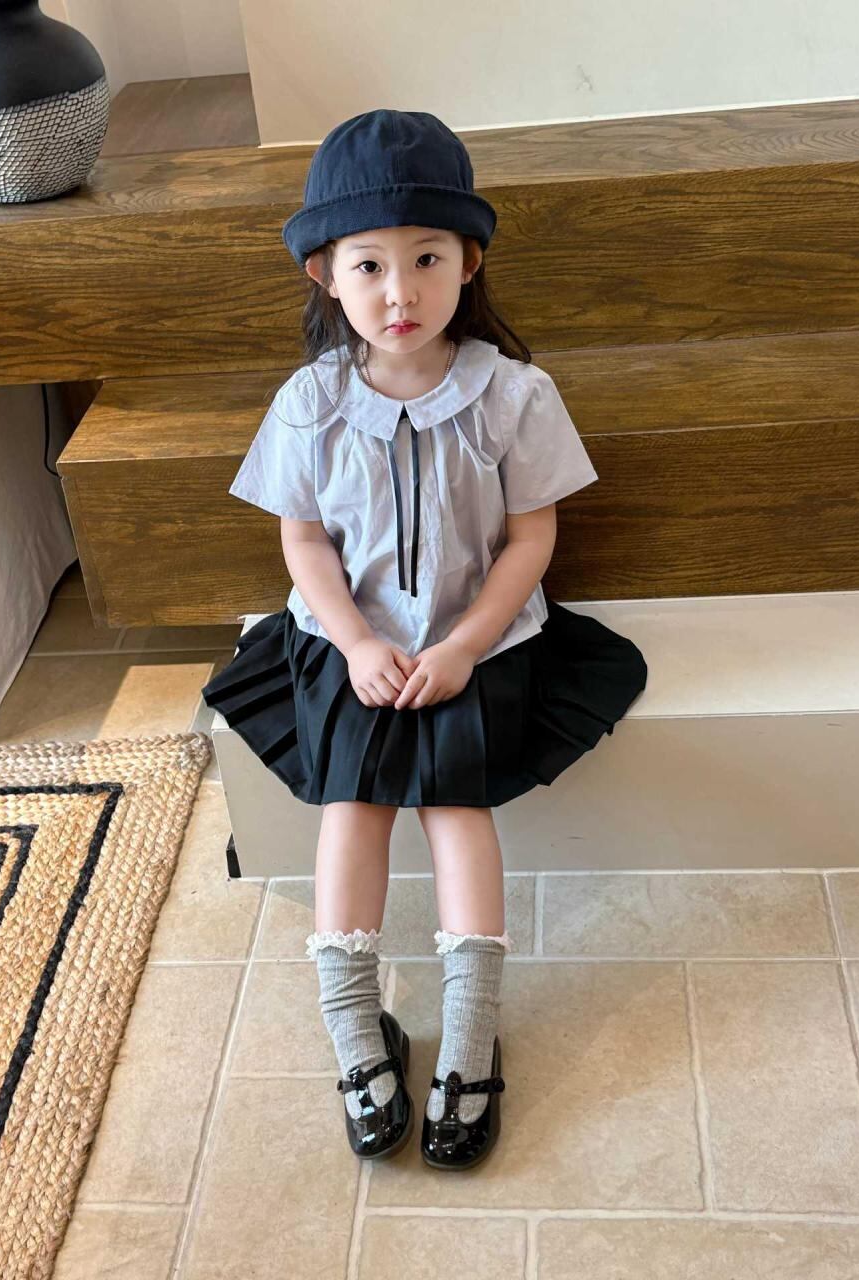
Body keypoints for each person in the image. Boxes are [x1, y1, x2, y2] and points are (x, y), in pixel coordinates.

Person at [201, 109, 648, 1171]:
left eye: (426, 260)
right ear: (324, 274)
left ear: (469, 261)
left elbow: (532, 536)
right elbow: (303, 540)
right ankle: (357, 1030)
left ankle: (472, 1034)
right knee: (350, 806)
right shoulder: (310, 402)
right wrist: (357, 643)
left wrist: (464, 647)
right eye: (369, 265)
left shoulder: (513, 395)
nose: (399, 292)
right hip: (348, 644)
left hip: (475, 646)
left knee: (456, 803)